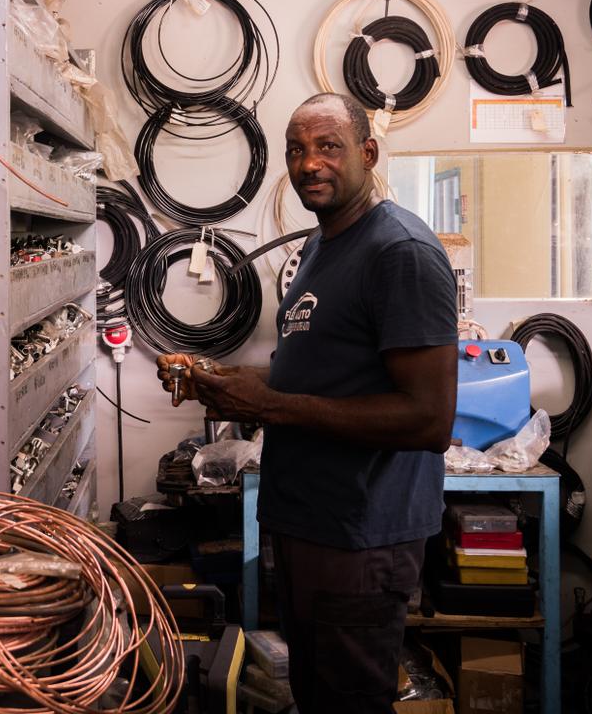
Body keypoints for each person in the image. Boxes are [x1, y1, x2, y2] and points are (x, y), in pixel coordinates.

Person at [157, 92, 457, 714]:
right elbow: (321, 372)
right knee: (317, 696)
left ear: (368, 154)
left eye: (328, 147)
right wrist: (222, 380)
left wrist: (269, 406)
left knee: (349, 701)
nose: (309, 163)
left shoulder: (399, 251)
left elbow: (429, 420)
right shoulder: (324, 247)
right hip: (311, 524)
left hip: (361, 534)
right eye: (296, 150)